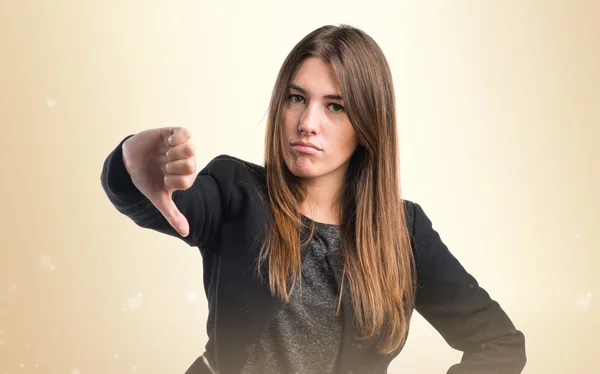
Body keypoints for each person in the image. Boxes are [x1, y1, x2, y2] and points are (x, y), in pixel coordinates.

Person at [100, 24, 526, 374]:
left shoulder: (404, 231)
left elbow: (501, 344)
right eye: (297, 98)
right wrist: (128, 162)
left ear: (368, 124)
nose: (307, 123)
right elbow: (157, 203)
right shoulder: (234, 189)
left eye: (335, 107)